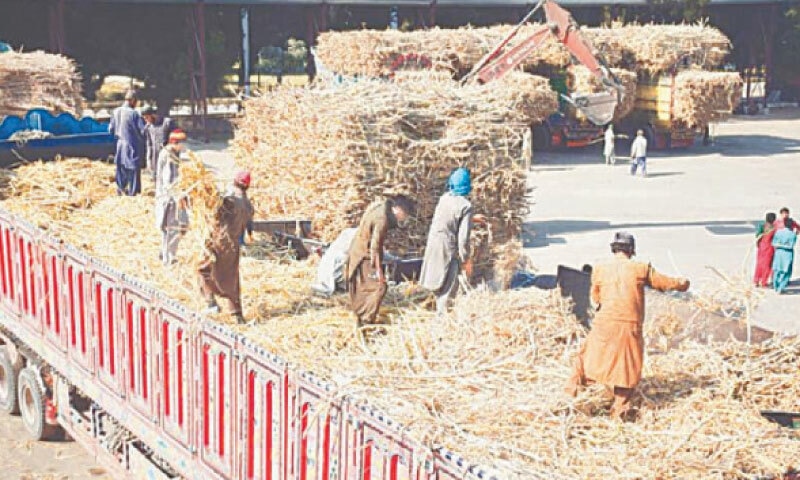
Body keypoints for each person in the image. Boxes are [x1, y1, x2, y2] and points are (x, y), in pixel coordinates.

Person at [565, 232, 690, 420]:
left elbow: (596, 297)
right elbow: (663, 283)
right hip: (628, 325)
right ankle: (620, 410)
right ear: (631, 250)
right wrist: (682, 283)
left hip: (603, 322)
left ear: (613, 249)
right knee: (626, 366)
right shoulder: (640, 268)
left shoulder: (599, 268)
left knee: (586, 357)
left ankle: (571, 395)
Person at [345, 195, 415, 327]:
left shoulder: (382, 205)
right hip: (363, 256)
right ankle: (366, 320)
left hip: (358, 250)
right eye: (405, 215)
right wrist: (379, 273)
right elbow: (375, 248)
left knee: (365, 287)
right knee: (379, 287)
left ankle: (362, 316)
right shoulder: (382, 219)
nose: (404, 219)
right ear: (398, 210)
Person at [419, 168, 480, 314]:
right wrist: (466, 260)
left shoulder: (444, 198)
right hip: (447, 248)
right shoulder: (466, 206)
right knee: (448, 287)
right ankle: (443, 321)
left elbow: (449, 216)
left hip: (433, 244)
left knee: (436, 282)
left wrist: (472, 219)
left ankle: (438, 313)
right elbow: (463, 239)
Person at [198, 171, 255, 324]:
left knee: (204, 269)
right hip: (234, 245)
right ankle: (236, 313)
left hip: (220, 241)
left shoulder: (231, 200)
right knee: (232, 277)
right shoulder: (247, 203)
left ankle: (211, 302)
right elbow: (249, 223)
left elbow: (216, 208)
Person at [154, 129, 189, 266]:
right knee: (173, 228)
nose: (184, 146)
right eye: (182, 143)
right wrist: (179, 196)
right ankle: (170, 259)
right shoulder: (169, 156)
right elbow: (169, 180)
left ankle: (164, 253)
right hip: (169, 199)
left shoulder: (173, 153)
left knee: (166, 229)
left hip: (166, 197)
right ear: (175, 142)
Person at [109, 90, 146, 196]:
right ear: (133, 100)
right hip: (131, 144)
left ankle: (120, 190)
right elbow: (142, 131)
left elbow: (110, 129)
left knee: (121, 168)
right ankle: (133, 193)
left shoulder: (115, 111)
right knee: (134, 169)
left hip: (120, 144)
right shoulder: (134, 114)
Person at [142, 106, 174, 181]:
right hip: (155, 158)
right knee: (156, 179)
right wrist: (148, 159)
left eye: (147, 117)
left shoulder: (167, 123)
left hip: (168, 156)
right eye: (144, 118)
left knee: (168, 178)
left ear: (153, 115)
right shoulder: (148, 127)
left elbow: (176, 139)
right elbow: (149, 144)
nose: (146, 120)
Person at [772, 222, 797, 294]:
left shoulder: (778, 232)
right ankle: (780, 288)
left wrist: (780, 245)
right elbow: (791, 245)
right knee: (786, 272)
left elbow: (773, 243)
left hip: (779, 253)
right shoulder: (792, 234)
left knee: (777, 270)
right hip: (787, 254)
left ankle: (776, 286)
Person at [753, 212, 777, 287]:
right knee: (767, 265)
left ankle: (756, 280)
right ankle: (764, 282)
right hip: (769, 247)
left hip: (761, 246)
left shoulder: (762, 226)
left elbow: (757, 235)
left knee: (759, 263)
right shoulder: (774, 228)